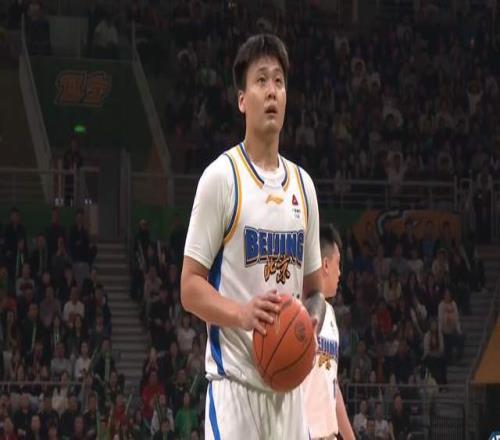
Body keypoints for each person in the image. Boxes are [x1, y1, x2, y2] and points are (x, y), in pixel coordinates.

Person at [181, 34, 323, 440]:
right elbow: (189, 288)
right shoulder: (221, 178)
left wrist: (310, 320)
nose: (272, 90)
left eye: (279, 81)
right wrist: (242, 314)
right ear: (242, 100)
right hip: (235, 392)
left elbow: (315, 291)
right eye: (261, 80)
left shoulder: (304, 187)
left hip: (289, 396)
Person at [303, 224, 355, 440]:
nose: (340, 272)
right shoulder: (297, 311)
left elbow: (332, 386)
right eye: (338, 264)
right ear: (325, 264)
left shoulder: (331, 314)